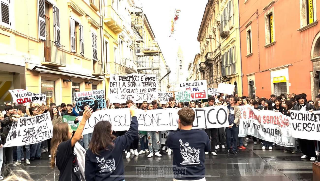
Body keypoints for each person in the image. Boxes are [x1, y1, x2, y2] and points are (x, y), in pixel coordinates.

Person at [85, 106, 138, 181]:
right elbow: (133, 132)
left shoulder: (90, 151)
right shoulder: (117, 143)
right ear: (110, 132)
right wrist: (133, 115)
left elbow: (89, 175)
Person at [166, 107, 210, 181]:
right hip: (198, 176)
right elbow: (208, 149)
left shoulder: (173, 136)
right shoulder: (202, 135)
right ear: (193, 120)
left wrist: (178, 128)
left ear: (179, 120)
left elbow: (169, 145)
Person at [50, 108, 92, 181]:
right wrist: (84, 119)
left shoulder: (63, 145)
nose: (72, 131)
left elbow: (75, 138)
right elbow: (76, 137)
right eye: (70, 129)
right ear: (64, 133)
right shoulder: (62, 147)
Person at [292, 94, 316, 161]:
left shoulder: (309, 105)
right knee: (301, 141)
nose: (302, 100)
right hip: (300, 127)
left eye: (303, 98)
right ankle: (305, 153)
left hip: (308, 127)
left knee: (309, 141)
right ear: (298, 100)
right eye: (300, 99)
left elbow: (315, 113)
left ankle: (312, 155)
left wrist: (312, 111)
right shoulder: (296, 106)